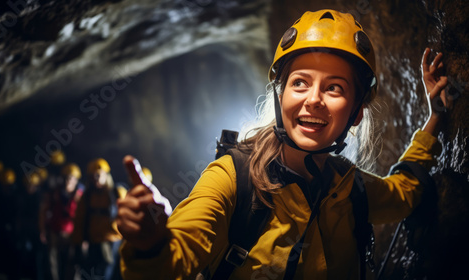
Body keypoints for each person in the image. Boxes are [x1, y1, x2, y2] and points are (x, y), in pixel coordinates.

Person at [116, 9, 450, 279]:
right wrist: (151, 245)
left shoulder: (351, 189)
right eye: (300, 82)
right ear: (280, 96)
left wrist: (435, 119)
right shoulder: (233, 178)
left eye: (334, 88)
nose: (314, 100)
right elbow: (177, 258)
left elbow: (404, 192)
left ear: (356, 113)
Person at [71, 158, 127, 280]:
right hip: (94, 241)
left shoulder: (117, 193)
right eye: (91, 176)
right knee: (93, 273)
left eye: (97, 175)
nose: (94, 178)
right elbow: (80, 219)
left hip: (113, 240)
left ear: (106, 174)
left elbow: (128, 215)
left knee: (109, 272)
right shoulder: (87, 196)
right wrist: (78, 242)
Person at [40, 163, 84, 280]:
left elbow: (83, 217)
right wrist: (43, 230)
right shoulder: (55, 193)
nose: (68, 181)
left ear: (76, 180)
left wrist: (83, 236)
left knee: (71, 262)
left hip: (72, 233)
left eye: (71, 178)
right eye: (66, 178)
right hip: (55, 230)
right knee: (52, 261)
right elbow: (44, 211)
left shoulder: (79, 196)